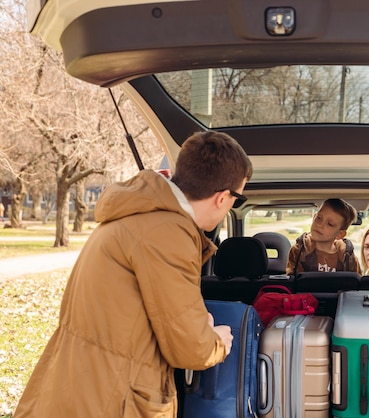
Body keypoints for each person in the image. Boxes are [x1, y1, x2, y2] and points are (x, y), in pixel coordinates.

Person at [14, 131, 253, 417]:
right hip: (112, 398)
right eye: (238, 198)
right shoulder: (168, 233)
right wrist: (217, 341)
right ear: (223, 197)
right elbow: (190, 347)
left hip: (77, 385)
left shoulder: (135, 214)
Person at [286, 198, 362, 275]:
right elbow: (293, 281)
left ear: (340, 234)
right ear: (314, 217)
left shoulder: (348, 257)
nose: (320, 225)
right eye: (319, 218)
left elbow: (357, 282)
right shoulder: (299, 251)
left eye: (330, 224)